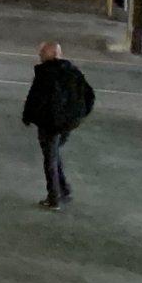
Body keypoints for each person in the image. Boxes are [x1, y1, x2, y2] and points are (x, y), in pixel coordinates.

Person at [21, 39, 95, 210]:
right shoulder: (73, 72)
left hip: (50, 123)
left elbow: (36, 98)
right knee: (54, 155)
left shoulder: (45, 74)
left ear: (53, 54)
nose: (39, 55)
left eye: (43, 52)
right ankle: (64, 189)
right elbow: (89, 95)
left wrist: (28, 116)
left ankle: (54, 197)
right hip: (67, 123)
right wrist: (78, 116)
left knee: (50, 159)